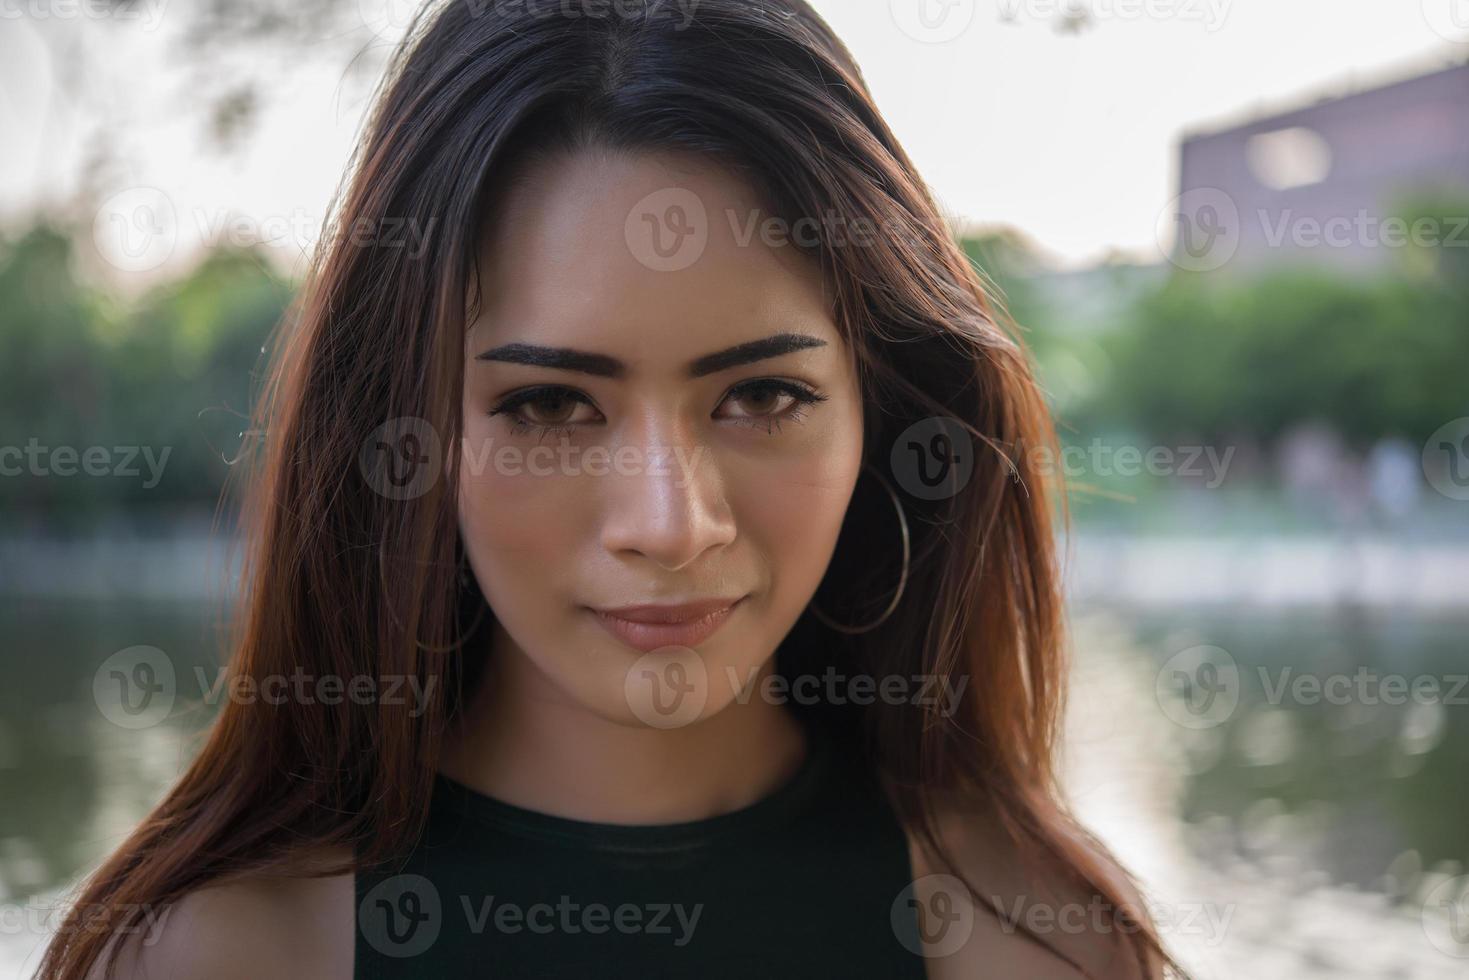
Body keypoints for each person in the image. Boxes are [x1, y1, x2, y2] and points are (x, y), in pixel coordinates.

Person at [42, 1, 1179, 977]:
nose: (668, 523)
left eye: (763, 395)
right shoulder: (219, 950)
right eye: (547, 406)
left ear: (884, 407)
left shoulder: (1033, 939)